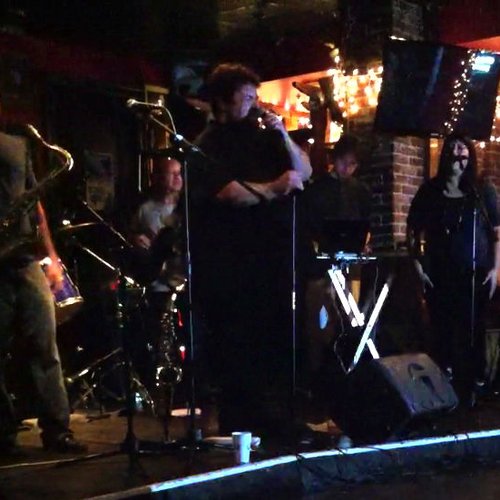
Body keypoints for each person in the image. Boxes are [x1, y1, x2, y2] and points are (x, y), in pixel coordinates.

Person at [190, 63, 312, 434]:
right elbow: (228, 193)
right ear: (224, 101)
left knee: (274, 336)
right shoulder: (208, 144)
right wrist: (275, 187)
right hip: (232, 261)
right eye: (246, 97)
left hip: (272, 255)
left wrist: (284, 135)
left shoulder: (264, 135)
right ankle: (242, 420)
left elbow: (305, 171)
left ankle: (276, 416)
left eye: (255, 97)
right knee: (239, 342)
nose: (255, 104)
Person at [0, 125, 87, 454]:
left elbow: (35, 206)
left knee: (45, 346)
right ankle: (3, 434)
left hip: (23, 256)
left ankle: (57, 430)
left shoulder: (17, 143)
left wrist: (51, 256)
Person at [407, 134, 500, 407]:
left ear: (470, 154)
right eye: (452, 147)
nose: (457, 152)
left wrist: (495, 268)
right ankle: (442, 388)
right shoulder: (430, 191)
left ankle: (473, 386)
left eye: (462, 147)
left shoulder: (481, 191)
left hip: (475, 273)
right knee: (442, 330)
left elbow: (496, 232)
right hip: (439, 274)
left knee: (473, 329)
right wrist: (417, 265)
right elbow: (412, 231)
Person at [299, 135, 372, 386]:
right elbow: (308, 228)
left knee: (350, 316)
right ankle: (318, 372)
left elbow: (366, 224)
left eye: (352, 164)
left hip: (351, 264)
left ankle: (346, 369)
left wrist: (364, 244)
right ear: (335, 160)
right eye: (343, 162)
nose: (347, 169)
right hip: (320, 266)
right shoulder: (317, 190)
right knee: (321, 320)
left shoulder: (361, 191)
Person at [128, 154, 185, 394]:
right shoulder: (145, 210)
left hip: (184, 284)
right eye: (171, 174)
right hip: (157, 285)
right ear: (158, 177)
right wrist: (135, 240)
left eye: (179, 173)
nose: (177, 179)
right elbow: (131, 238)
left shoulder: (186, 209)